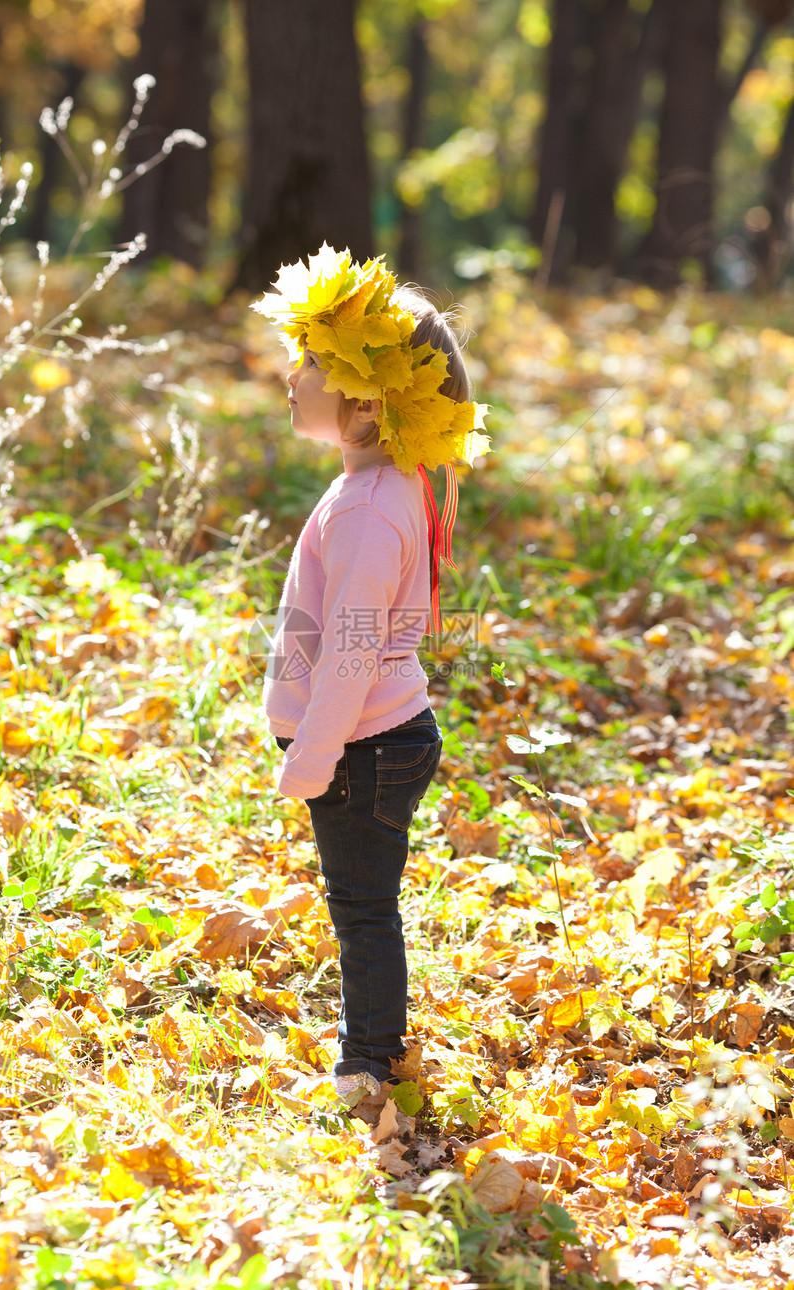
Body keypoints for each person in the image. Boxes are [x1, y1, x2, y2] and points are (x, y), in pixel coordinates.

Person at [251, 245, 490, 1107]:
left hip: (362, 746)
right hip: (370, 741)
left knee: (361, 907)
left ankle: (368, 1063)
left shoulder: (366, 506)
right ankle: (371, 1048)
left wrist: (311, 754)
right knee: (361, 901)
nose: (290, 372)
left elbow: (353, 653)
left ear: (363, 394)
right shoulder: (378, 486)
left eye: (310, 359)